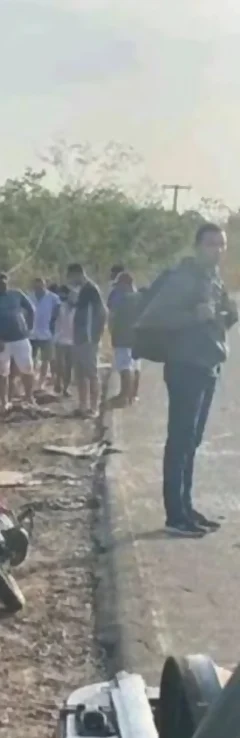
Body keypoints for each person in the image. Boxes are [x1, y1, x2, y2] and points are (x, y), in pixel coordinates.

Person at [134, 222, 238, 538]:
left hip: (207, 364)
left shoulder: (213, 278)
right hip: (185, 367)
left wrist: (226, 314)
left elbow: (216, 320)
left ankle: (186, 507)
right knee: (180, 440)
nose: (217, 250)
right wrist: (197, 316)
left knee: (191, 441)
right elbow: (153, 318)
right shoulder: (182, 278)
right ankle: (174, 514)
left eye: (221, 245)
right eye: (210, 244)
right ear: (197, 246)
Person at [0, 272, 36, 408]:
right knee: (2, 371)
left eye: (4, 282)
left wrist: (29, 328)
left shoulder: (16, 294)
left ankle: (29, 397)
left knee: (27, 368)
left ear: (8, 282)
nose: (2, 285)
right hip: (1, 341)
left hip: (20, 338)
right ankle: (4, 401)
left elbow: (31, 309)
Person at [67, 263, 106, 417]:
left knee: (91, 373)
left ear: (78, 274)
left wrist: (96, 335)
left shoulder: (91, 289)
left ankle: (94, 408)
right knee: (80, 374)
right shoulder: (80, 291)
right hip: (78, 338)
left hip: (89, 339)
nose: (70, 280)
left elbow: (102, 312)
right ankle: (82, 406)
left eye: (71, 276)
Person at [105, 270, 143, 408]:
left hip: (123, 336)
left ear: (124, 284)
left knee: (125, 366)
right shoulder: (140, 297)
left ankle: (123, 395)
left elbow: (113, 316)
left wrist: (111, 331)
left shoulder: (122, 298)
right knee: (135, 366)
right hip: (137, 338)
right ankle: (133, 394)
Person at [28, 277, 60, 389]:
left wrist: (54, 326)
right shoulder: (29, 297)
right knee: (31, 359)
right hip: (31, 333)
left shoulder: (53, 298)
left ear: (45, 285)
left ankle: (41, 382)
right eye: (36, 286)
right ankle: (31, 381)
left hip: (47, 333)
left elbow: (58, 312)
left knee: (46, 360)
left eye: (40, 286)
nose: (38, 288)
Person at [52, 282, 76, 396]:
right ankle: (58, 382)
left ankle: (65, 388)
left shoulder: (78, 310)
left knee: (69, 366)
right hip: (60, 339)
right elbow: (52, 320)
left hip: (73, 341)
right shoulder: (59, 306)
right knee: (60, 364)